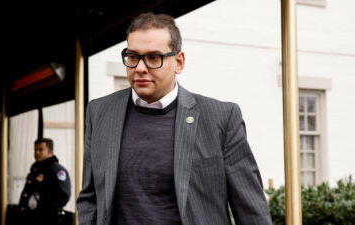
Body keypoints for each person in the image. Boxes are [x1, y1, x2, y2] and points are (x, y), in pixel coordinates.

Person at [77, 12, 272, 225]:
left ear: (178, 62)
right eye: (133, 57)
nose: (140, 68)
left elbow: (251, 211)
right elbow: (90, 198)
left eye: (153, 58)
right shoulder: (100, 112)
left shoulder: (221, 118)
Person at [18, 137, 71, 225]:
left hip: (47, 219)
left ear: (50, 152)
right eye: (35, 150)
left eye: (41, 150)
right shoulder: (35, 171)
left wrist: (43, 208)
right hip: (30, 219)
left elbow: (63, 196)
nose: (37, 152)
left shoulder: (57, 171)